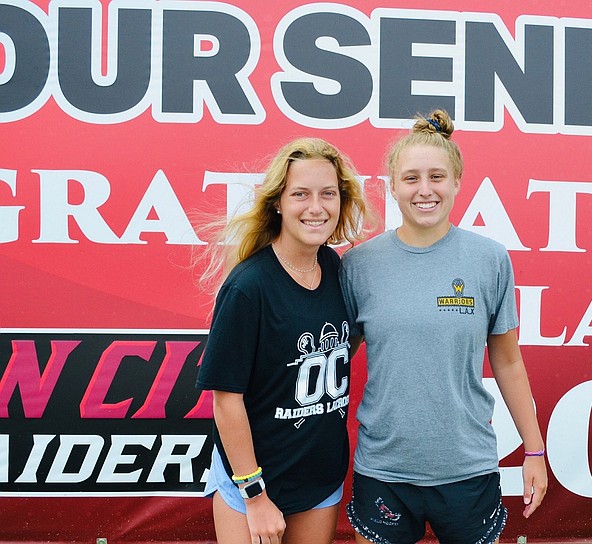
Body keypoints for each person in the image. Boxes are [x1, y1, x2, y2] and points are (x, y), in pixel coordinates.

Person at [339, 109, 548, 544]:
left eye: (437, 176)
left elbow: (507, 362)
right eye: (411, 178)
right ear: (392, 185)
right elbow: (332, 361)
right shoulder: (360, 265)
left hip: (466, 468)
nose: (425, 190)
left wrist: (534, 450)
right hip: (384, 469)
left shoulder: (489, 259)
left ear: (456, 182)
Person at [196, 137, 369, 544]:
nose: (316, 207)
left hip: (319, 479)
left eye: (328, 194)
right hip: (253, 483)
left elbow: (344, 345)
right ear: (277, 202)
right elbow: (226, 400)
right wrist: (254, 494)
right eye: (300, 194)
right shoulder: (249, 287)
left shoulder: (333, 266)